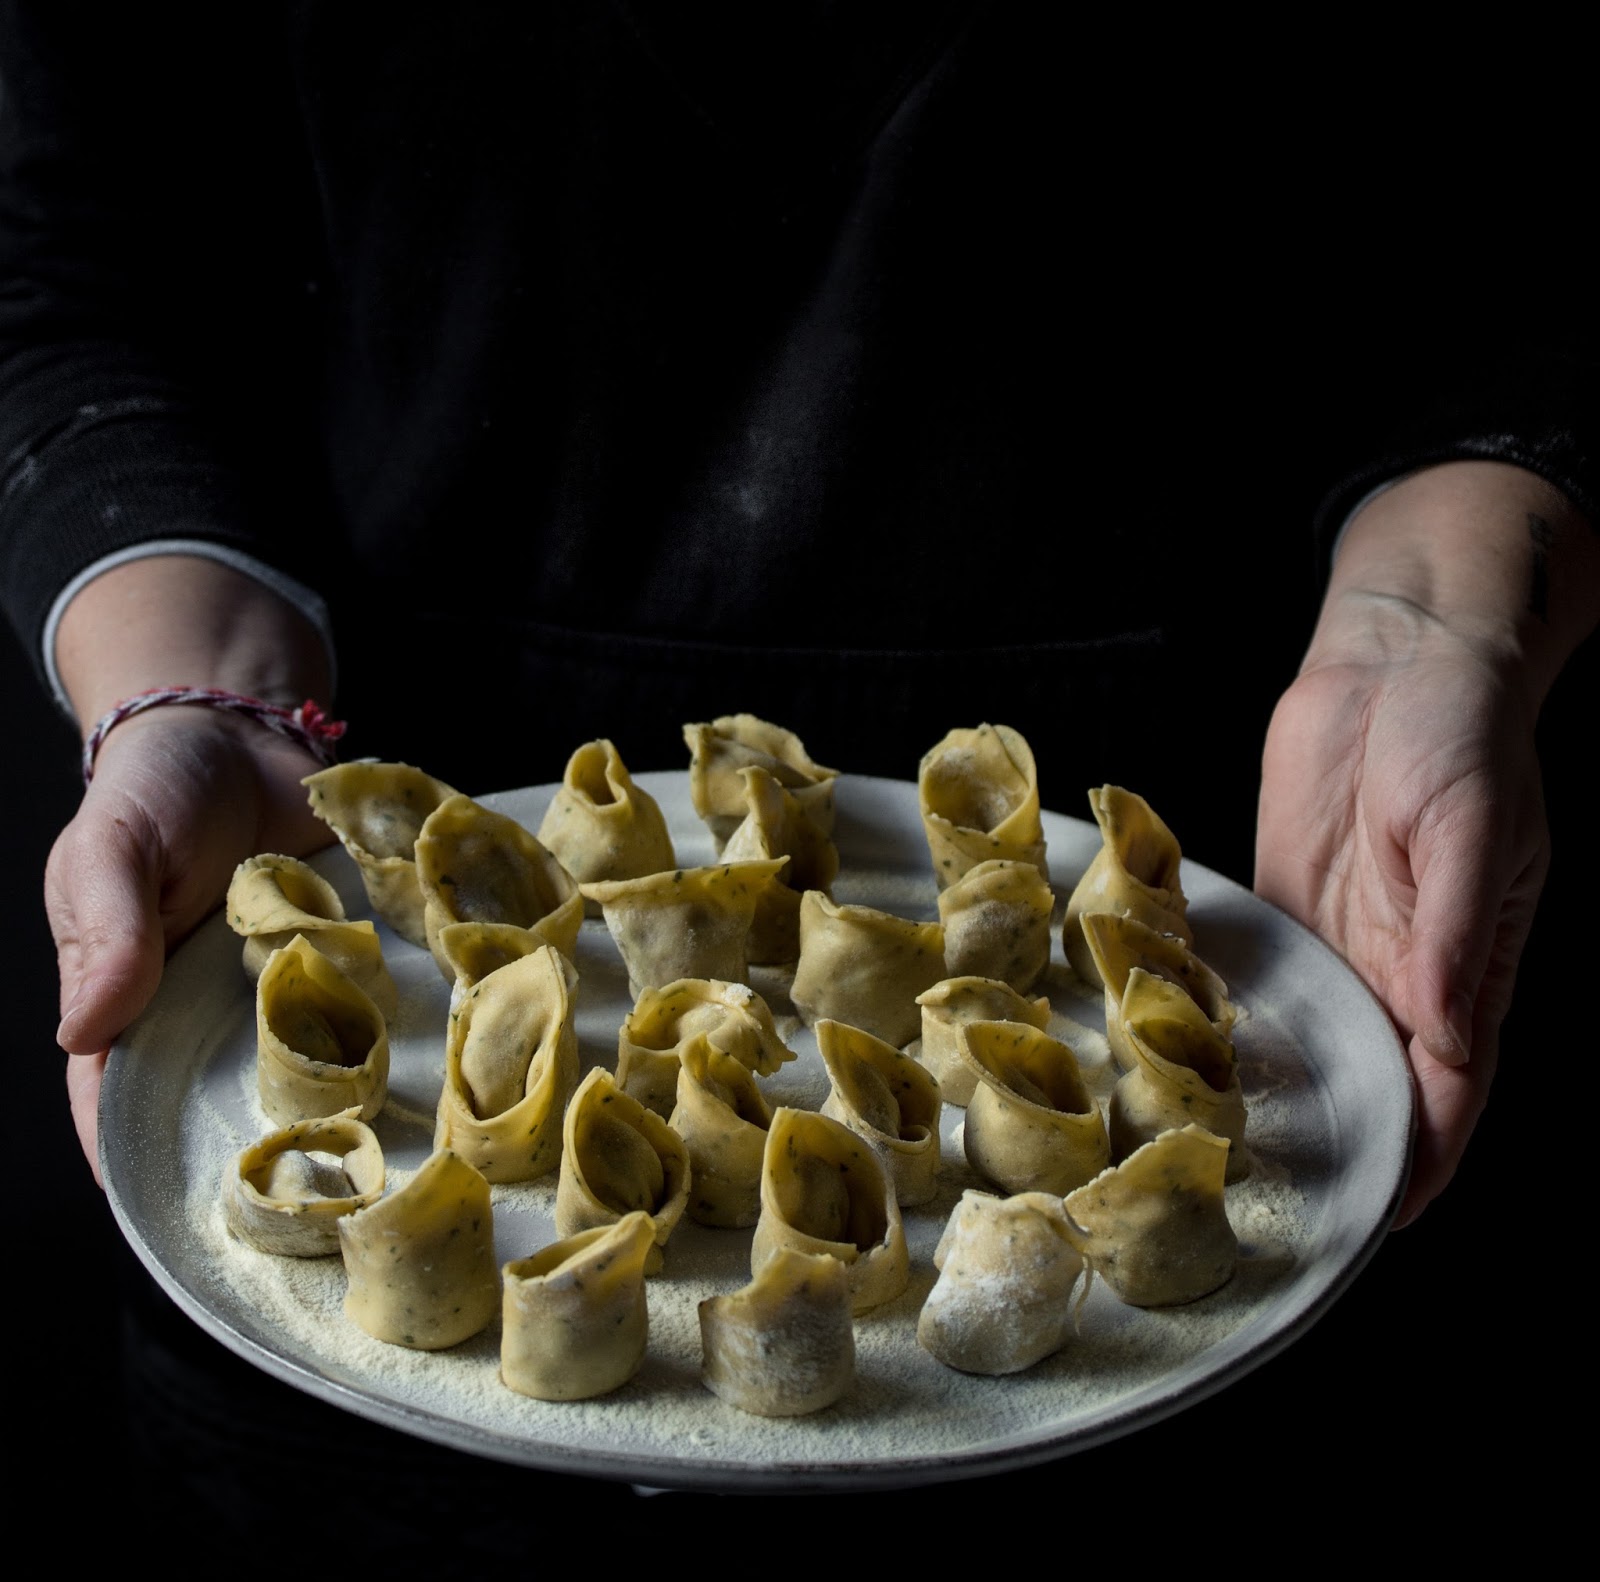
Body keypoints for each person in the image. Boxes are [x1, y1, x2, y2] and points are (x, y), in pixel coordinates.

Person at [3, 4, 1594, 1530]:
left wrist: (1428, 630)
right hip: (356, 1379)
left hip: (1243, 877)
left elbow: (1521, 243)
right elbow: (81, 252)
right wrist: (193, 695)